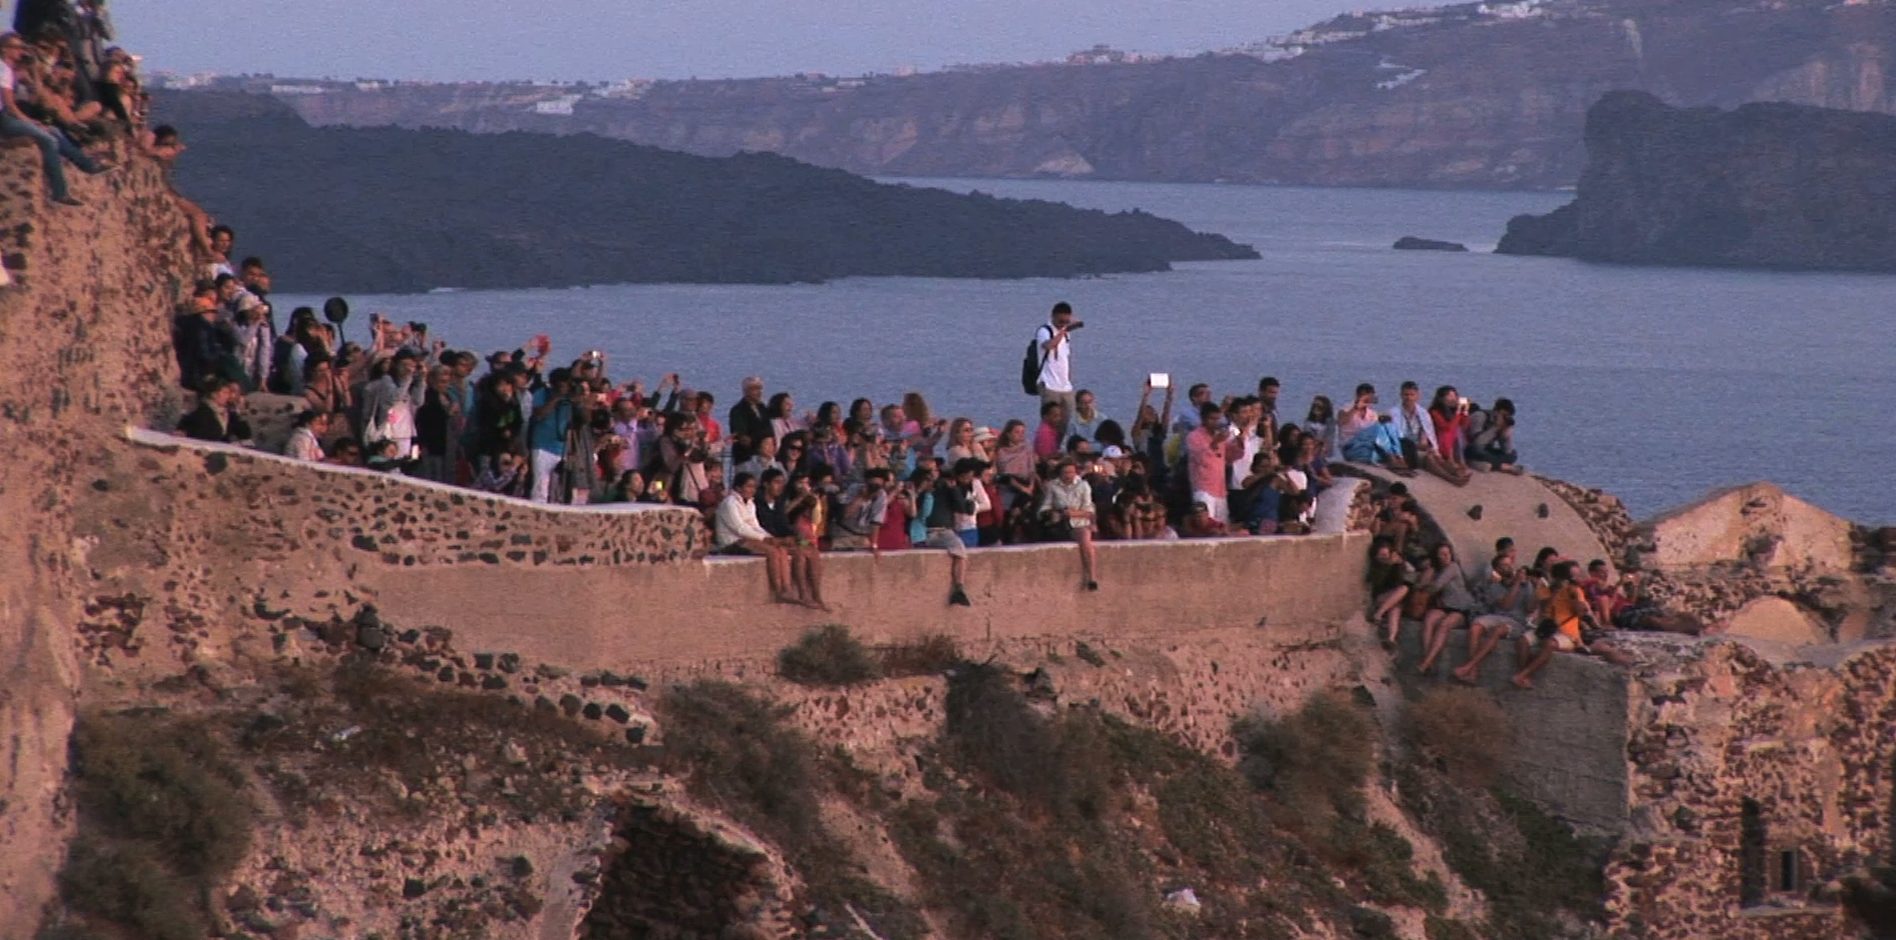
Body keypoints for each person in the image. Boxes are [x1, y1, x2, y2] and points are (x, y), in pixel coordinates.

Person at [0, 31, 106, 207]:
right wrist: (29, 121)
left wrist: (33, 70)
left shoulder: (9, 70)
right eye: (17, 47)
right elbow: (10, 104)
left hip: (7, 116)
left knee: (54, 131)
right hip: (4, 119)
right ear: (5, 49)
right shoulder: (3, 69)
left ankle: (87, 165)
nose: (21, 51)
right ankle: (59, 192)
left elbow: (35, 95)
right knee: (48, 140)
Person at [1511, 561, 1632, 689]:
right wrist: (1555, 593)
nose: (1578, 578)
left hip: (1567, 633)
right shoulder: (1545, 589)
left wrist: (1574, 597)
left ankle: (1523, 675)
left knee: (1549, 644)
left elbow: (1582, 613)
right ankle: (1524, 674)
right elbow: (1534, 607)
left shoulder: (1575, 591)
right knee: (1522, 641)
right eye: (1575, 575)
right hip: (1545, 628)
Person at [1452, 548, 1538, 684]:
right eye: (1504, 565)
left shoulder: (1525, 585)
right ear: (1497, 570)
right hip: (1499, 616)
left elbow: (1530, 608)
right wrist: (1516, 583)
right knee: (1475, 626)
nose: (1508, 567)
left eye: (1510, 564)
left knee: (1497, 630)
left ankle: (1469, 666)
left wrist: (1534, 588)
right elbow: (1506, 605)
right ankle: (1473, 672)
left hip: (1517, 622)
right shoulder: (1494, 586)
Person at [713, 471, 798, 604]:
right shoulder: (730, 503)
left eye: (753, 487)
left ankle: (786, 588)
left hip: (747, 539)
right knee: (772, 552)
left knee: (781, 549)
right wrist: (765, 540)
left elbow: (755, 526)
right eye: (748, 486)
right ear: (738, 488)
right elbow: (740, 528)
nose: (752, 490)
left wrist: (770, 538)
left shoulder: (750, 503)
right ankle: (778, 591)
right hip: (731, 542)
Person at [924, 458, 983, 606]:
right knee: (960, 551)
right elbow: (964, 509)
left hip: (922, 532)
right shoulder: (948, 487)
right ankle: (959, 587)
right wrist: (963, 495)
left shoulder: (936, 485)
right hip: (938, 531)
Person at [1416, 542, 1479, 675]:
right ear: (1437, 556)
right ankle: (1429, 660)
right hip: (1445, 606)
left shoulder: (1453, 567)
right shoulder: (1437, 569)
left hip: (1461, 609)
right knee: (1429, 619)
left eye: (1447, 553)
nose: (1445, 557)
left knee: (1444, 625)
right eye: (1442, 554)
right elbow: (1422, 586)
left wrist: (1424, 584)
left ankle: (1425, 663)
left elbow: (1435, 587)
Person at [1392, 381, 1468, 485]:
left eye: (1412, 395)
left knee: (1436, 456)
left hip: (1421, 446)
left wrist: (1435, 450)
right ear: (1401, 395)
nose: (1409, 398)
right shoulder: (1394, 412)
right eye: (1406, 394)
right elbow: (1397, 437)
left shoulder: (1422, 413)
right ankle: (1451, 478)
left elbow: (1430, 433)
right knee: (1429, 458)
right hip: (1405, 448)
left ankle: (1457, 473)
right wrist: (1419, 446)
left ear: (1417, 396)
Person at [1041, 458, 1101, 590]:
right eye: (1065, 473)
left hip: (1079, 521)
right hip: (1060, 521)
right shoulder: (1052, 486)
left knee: (1084, 536)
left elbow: (1089, 509)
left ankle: (1091, 576)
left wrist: (1072, 513)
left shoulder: (1083, 485)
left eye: (1071, 472)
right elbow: (1045, 506)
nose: (1068, 475)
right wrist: (1053, 513)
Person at [1033, 301, 1078, 438]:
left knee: (1067, 422)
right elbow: (1049, 346)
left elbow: (1066, 355)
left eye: (1066, 321)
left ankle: (1059, 449)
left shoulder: (1066, 335)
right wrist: (1063, 331)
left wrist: (1069, 376)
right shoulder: (1044, 331)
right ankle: (1046, 449)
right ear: (1053, 316)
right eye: (1060, 321)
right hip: (1049, 384)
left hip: (1065, 386)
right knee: (1050, 422)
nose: (1063, 324)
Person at [1183, 402, 1233, 524]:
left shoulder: (1220, 436)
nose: (1215, 422)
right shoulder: (1193, 436)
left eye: (1217, 419)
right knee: (1205, 524)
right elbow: (1200, 458)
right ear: (1203, 419)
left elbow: (1232, 456)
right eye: (1212, 419)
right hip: (1203, 488)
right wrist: (1215, 443)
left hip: (1220, 489)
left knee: (1221, 524)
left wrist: (1240, 441)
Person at [1367, 536, 1414, 649]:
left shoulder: (1395, 563)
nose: (1384, 558)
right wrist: (1386, 566)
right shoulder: (1376, 566)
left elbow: (1401, 579)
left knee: (1396, 607)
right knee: (1404, 589)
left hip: (1393, 598)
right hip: (1380, 598)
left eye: (1386, 555)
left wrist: (1398, 565)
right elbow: (1377, 583)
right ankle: (1378, 614)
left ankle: (1391, 638)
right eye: (1381, 555)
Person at [176, 375, 251, 444]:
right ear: (214, 394)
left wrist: (240, 411)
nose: (228, 396)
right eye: (225, 393)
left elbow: (245, 434)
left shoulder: (229, 414)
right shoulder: (202, 412)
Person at [1468, 397, 1523, 474]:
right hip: (1470, 448)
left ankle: (1489, 464)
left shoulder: (1502, 423)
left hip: (1486, 450)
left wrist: (1505, 435)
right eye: (1504, 415)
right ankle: (1502, 466)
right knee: (1477, 451)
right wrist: (1495, 427)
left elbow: (1507, 451)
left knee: (1512, 455)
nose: (1505, 417)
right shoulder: (1480, 416)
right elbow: (1477, 442)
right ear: (1497, 411)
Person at [1429, 386, 1473, 479]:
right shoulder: (1434, 411)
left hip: (1453, 444)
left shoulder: (1454, 411)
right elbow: (1446, 428)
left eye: (1455, 396)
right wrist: (1457, 412)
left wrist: (1465, 411)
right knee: (1452, 431)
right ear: (1441, 398)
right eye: (1450, 396)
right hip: (1439, 442)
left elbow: (1464, 425)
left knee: (1458, 431)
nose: (1454, 399)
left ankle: (1460, 462)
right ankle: (1452, 461)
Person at [727, 376, 770, 463]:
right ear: (746, 391)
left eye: (760, 388)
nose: (759, 392)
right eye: (755, 389)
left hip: (766, 456)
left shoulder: (763, 408)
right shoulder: (738, 410)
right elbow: (741, 435)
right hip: (747, 458)